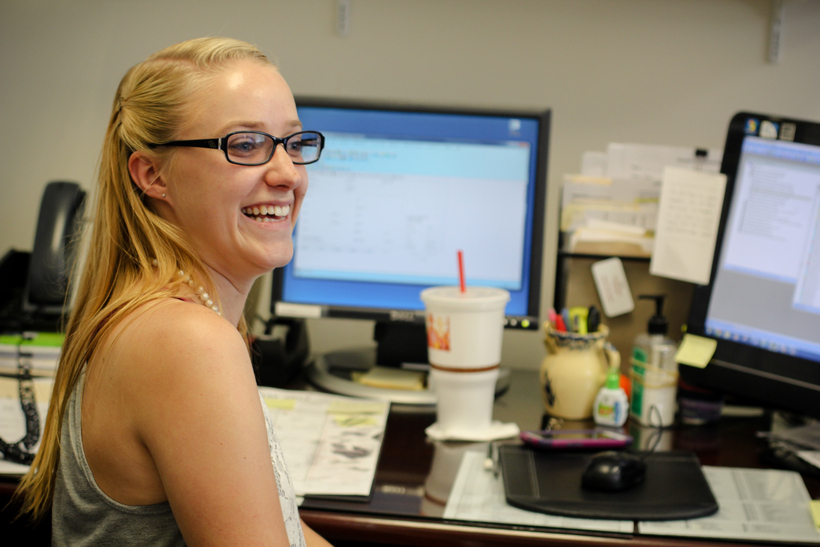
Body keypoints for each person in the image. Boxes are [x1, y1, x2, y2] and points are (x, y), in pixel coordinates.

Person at [15, 37, 331, 546]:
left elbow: (283, 527)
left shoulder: (165, 317)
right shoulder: (187, 342)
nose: (287, 174)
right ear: (152, 174)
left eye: (293, 143)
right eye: (245, 144)